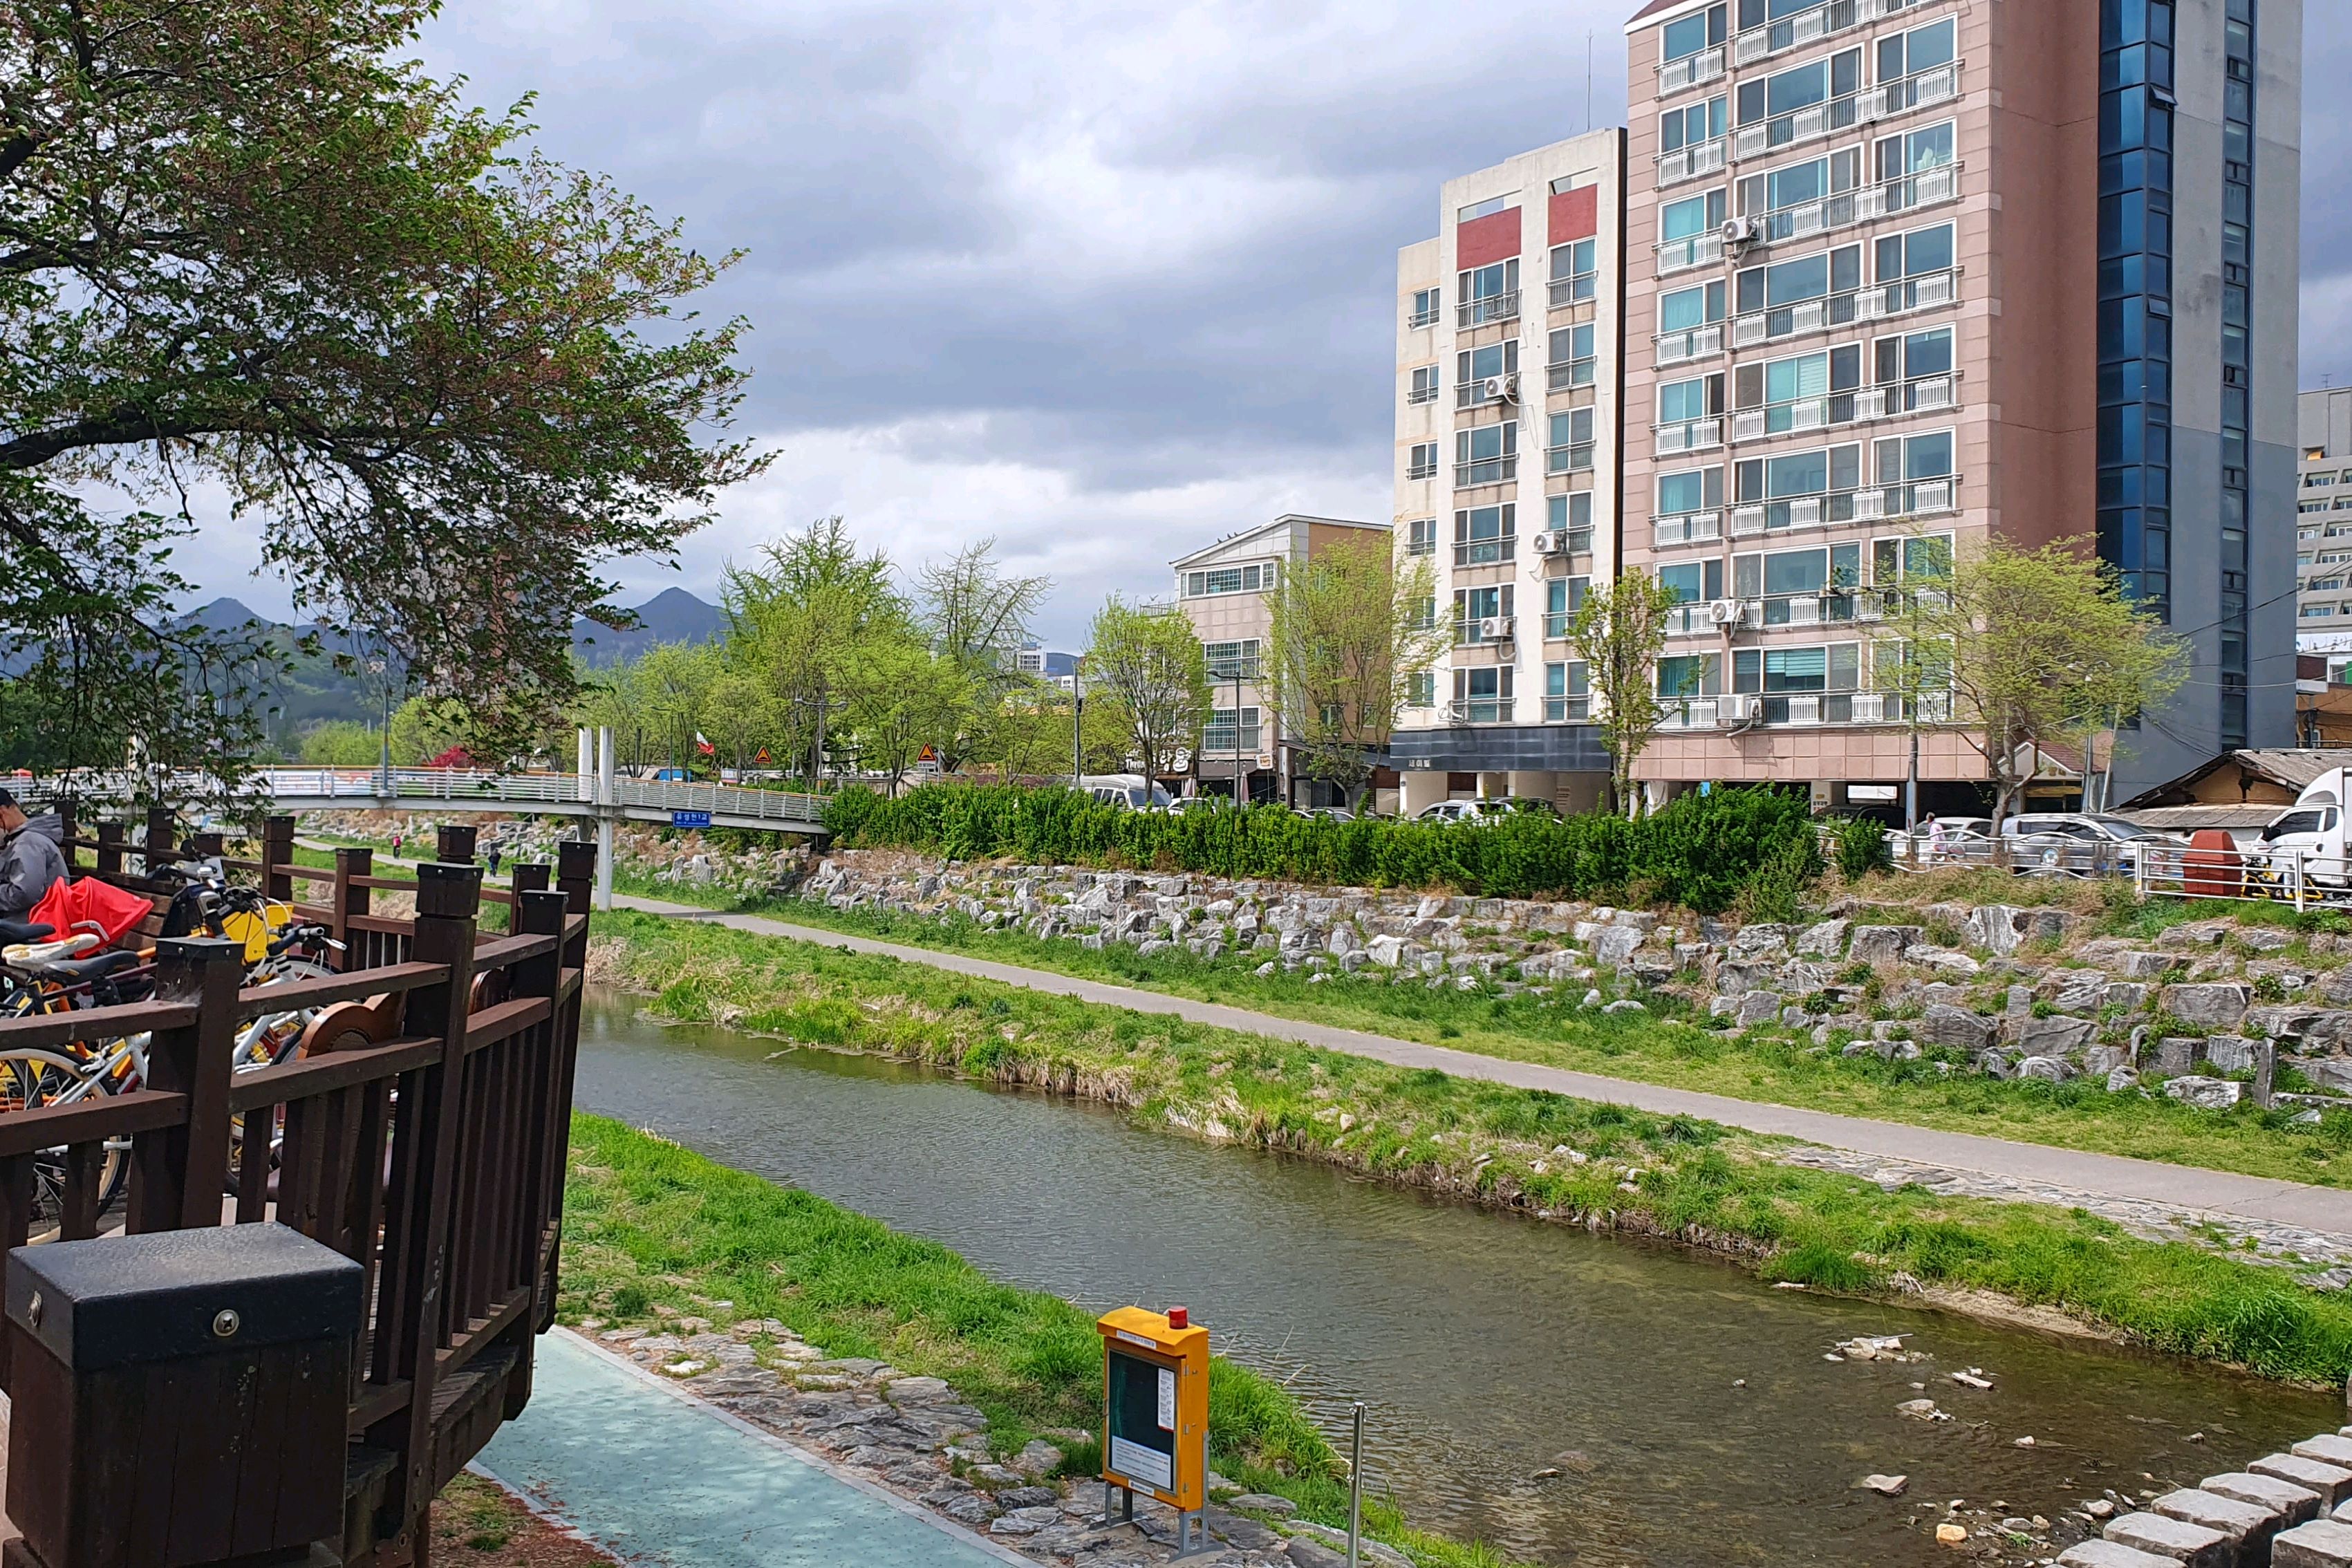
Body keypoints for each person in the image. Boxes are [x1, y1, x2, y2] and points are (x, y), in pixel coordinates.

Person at [0, 787, 69, 918]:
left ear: (2, 813)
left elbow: (24, 894)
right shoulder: (25, 840)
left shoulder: (27, 843)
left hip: (29, 922)